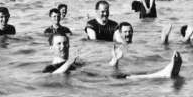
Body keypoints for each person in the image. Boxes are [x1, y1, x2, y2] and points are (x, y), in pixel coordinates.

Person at [44, 33, 182, 79]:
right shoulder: (50, 68)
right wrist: (68, 62)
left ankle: (163, 73)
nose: (63, 47)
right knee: (125, 78)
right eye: (59, 44)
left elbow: (102, 69)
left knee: (124, 76)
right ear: (51, 48)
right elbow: (53, 77)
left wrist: (114, 61)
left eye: (65, 43)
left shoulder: (76, 63)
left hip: (97, 80)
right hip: (91, 85)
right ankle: (163, 74)